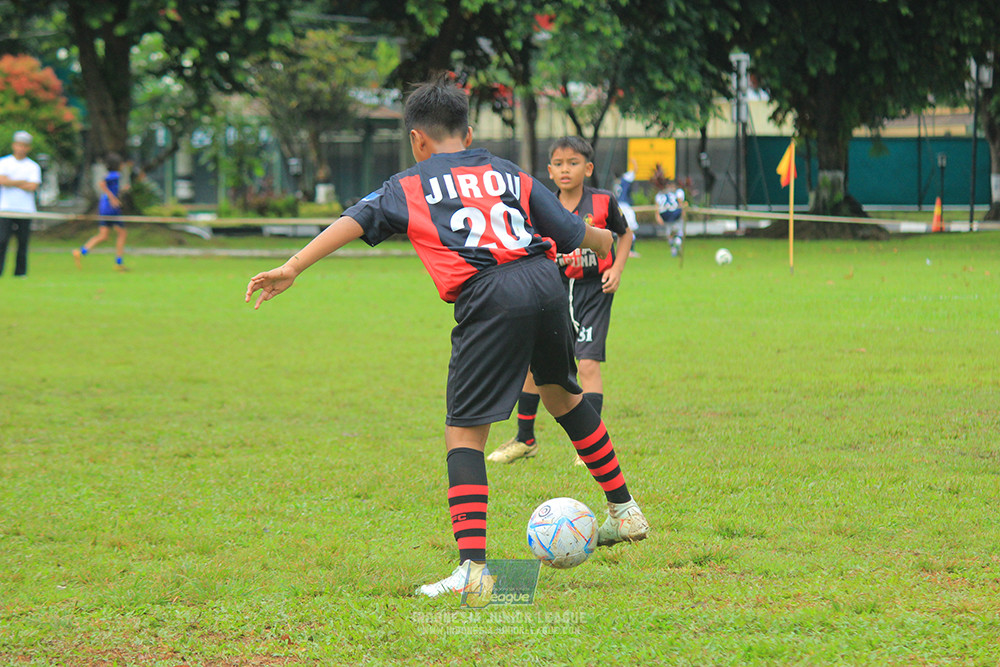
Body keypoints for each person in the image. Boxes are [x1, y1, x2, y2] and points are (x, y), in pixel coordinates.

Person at [245, 79, 649, 599]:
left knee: (464, 434)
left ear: (418, 140)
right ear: (470, 131)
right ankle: (625, 510)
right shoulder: (507, 172)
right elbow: (576, 231)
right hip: (546, 282)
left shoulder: (409, 184)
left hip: (490, 295)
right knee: (563, 396)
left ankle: (475, 572)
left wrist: (293, 266)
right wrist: (605, 242)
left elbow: (353, 221)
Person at [487, 137, 633, 467]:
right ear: (550, 170)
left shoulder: (603, 202)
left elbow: (625, 234)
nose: (566, 169)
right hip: (553, 291)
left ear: (588, 168)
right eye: (559, 163)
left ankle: (589, 447)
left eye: (573, 162)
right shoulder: (543, 206)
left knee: (587, 364)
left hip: (594, 291)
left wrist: (618, 269)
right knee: (533, 363)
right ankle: (525, 439)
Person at [74, 152, 129, 271]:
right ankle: (119, 262)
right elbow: (102, 183)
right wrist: (113, 199)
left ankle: (81, 251)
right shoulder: (115, 175)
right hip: (110, 207)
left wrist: (119, 192)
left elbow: (109, 187)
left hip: (104, 206)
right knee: (122, 233)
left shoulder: (113, 175)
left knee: (103, 235)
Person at [0, 131, 42, 278]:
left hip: (25, 209)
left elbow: (33, 186)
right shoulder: (4, 162)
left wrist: (12, 181)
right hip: (5, 209)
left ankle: (20, 272)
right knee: (2, 240)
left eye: (24, 146)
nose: (21, 148)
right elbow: (2, 180)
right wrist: (22, 181)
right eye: (19, 145)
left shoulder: (32, 166)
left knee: (23, 242)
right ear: (14, 145)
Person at [615, 158, 639, 258]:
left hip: (618, 206)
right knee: (631, 227)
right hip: (625, 206)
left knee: (622, 229)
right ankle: (630, 250)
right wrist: (633, 162)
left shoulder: (616, 182)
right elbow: (635, 170)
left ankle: (623, 250)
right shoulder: (625, 178)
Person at [656, 178, 685, 256]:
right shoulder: (678, 192)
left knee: (670, 232)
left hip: (665, 214)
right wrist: (683, 212)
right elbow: (680, 203)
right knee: (678, 231)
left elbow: (657, 207)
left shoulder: (659, 194)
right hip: (675, 212)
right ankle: (677, 243)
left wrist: (658, 216)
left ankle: (673, 248)